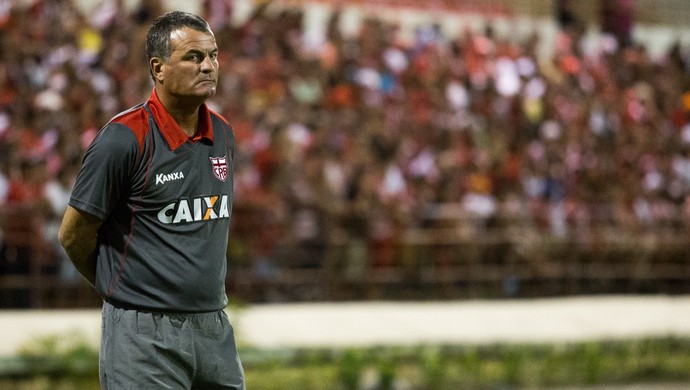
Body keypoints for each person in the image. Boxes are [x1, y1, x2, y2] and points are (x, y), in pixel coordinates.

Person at [58, 11, 245, 389]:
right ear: (158, 68)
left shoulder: (223, 133)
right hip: (143, 334)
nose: (208, 66)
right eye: (193, 57)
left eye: (213, 55)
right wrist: (123, 289)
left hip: (214, 328)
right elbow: (73, 236)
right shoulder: (123, 139)